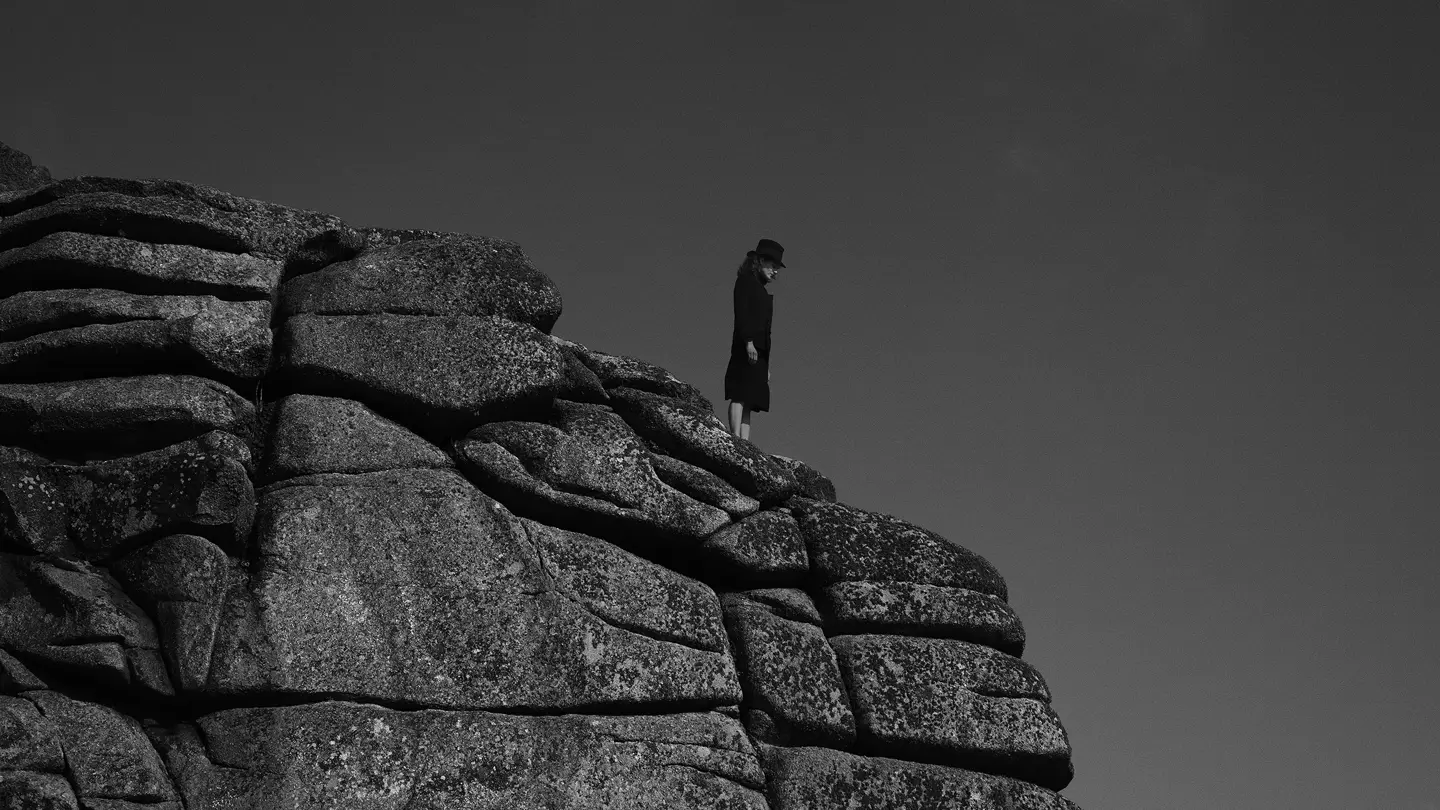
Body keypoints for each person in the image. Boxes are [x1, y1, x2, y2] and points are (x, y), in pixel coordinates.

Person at [724, 238, 783, 440]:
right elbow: (741, 314)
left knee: (751, 399)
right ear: (761, 261)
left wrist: (767, 364)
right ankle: (734, 437)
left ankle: (745, 443)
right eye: (773, 266)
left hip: (761, 350)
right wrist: (748, 342)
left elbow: (767, 330)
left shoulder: (762, 290)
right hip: (745, 345)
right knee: (740, 393)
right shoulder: (745, 282)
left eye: (777, 268)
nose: (775, 272)